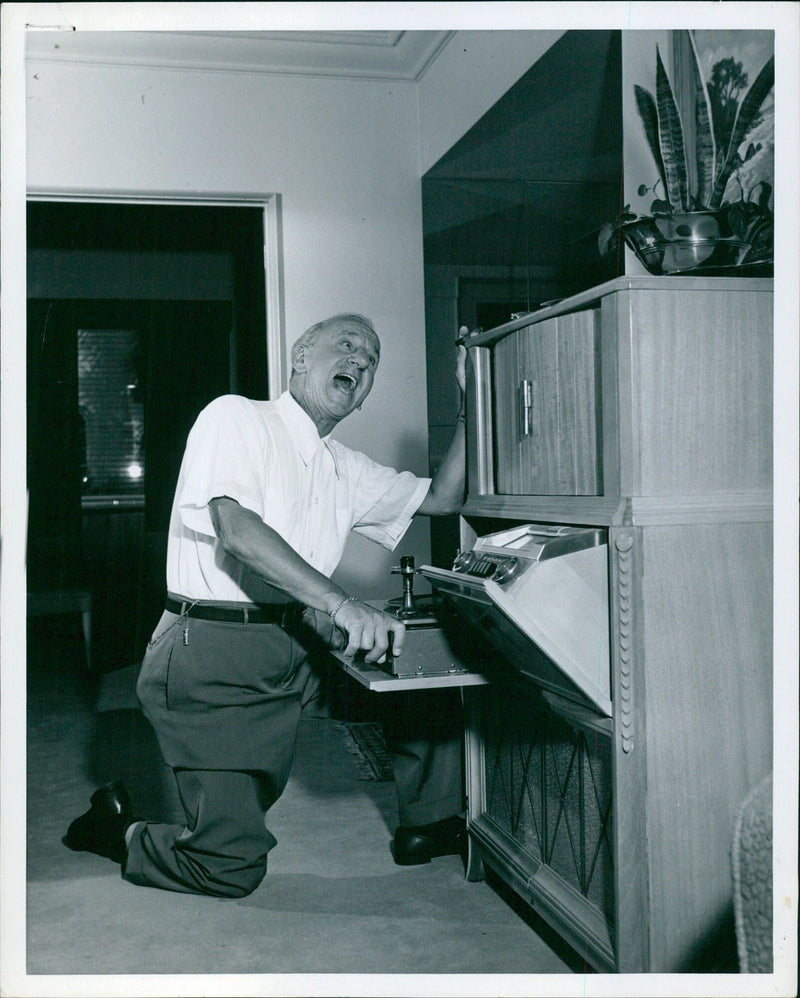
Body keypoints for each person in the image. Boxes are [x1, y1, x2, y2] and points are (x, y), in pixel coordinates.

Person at [64, 312, 469, 898]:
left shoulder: (341, 465)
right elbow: (237, 530)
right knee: (228, 868)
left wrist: (470, 396)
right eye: (347, 345)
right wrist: (341, 604)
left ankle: (428, 823)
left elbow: (442, 497)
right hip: (212, 653)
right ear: (302, 355)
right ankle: (119, 829)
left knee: (422, 671)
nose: (360, 360)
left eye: (372, 359)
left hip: (296, 639)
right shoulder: (236, 416)